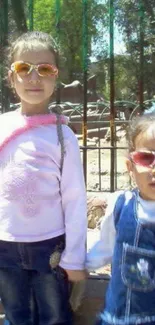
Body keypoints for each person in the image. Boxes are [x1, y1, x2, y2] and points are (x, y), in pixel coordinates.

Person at [0, 31, 87, 325]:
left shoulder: (62, 136)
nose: (34, 77)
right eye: (24, 68)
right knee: (16, 315)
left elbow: (75, 200)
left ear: (56, 77)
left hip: (49, 249)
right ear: (11, 77)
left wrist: (74, 259)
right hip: (5, 246)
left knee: (54, 316)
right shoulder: (2, 127)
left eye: (45, 69)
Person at [87, 113, 155, 325]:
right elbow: (105, 248)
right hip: (118, 317)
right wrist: (80, 266)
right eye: (146, 158)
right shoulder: (121, 205)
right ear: (130, 166)